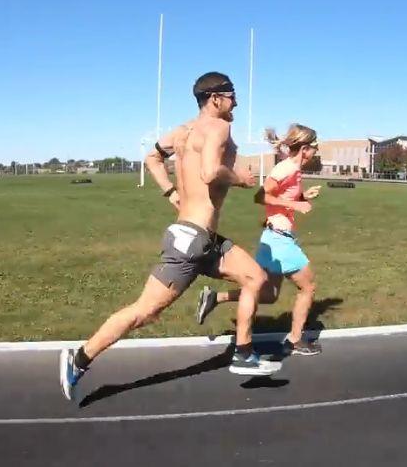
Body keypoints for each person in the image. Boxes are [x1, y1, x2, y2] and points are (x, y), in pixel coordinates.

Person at [60, 71, 280, 401]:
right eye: (232, 95)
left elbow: (152, 157)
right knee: (144, 312)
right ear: (215, 99)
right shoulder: (219, 127)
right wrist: (241, 179)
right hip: (191, 243)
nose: (237, 101)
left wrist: (170, 192)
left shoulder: (181, 131)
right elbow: (209, 172)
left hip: (201, 237)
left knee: (255, 277)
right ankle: (78, 360)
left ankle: (244, 352)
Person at [196, 124, 323, 356]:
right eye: (314, 147)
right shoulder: (286, 168)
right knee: (308, 286)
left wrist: (304, 196)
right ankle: (295, 341)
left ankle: (217, 297)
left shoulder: (293, 169)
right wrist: (296, 204)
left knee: (268, 295)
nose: (316, 151)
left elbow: (279, 197)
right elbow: (261, 196)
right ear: (305, 148)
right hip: (280, 240)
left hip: (273, 238)